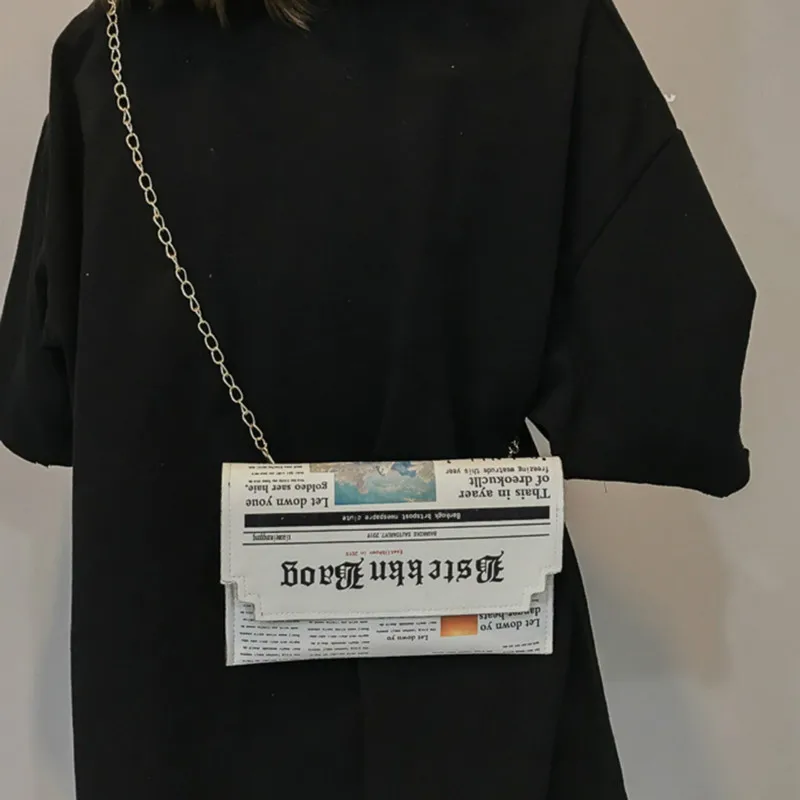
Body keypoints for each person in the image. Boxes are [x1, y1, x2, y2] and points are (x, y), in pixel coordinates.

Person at [0, 0, 755, 798]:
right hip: (468, 700)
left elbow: (38, 409)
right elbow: (669, 388)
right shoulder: (550, 30)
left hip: (181, 707)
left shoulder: (109, 54)